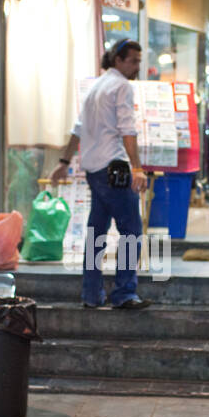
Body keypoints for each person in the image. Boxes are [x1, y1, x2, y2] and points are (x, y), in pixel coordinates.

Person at [50, 38, 151, 310]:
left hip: (94, 170)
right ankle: (124, 293)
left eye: (139, 61)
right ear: (118, 60)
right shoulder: (120, 86)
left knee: (96, 233)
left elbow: (78, 129)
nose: (137, 67)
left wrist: (64, 161)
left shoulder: (96, 86)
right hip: (113, 169)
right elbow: (127, 130)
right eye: (133, 61)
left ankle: (91, 294)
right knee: (131, 230)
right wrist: (138, 168)